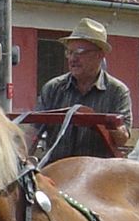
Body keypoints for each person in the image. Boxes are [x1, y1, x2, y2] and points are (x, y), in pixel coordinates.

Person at [26, 18, 131, 162]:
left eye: (80, 52)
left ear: (100, 55)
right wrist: (20, 159)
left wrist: (110, 125)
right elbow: (33, 131)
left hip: (97, 171)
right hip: (56, 170)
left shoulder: (117, 91)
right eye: (69, 52)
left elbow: (122, 139)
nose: (72, 58)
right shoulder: (53, 88)